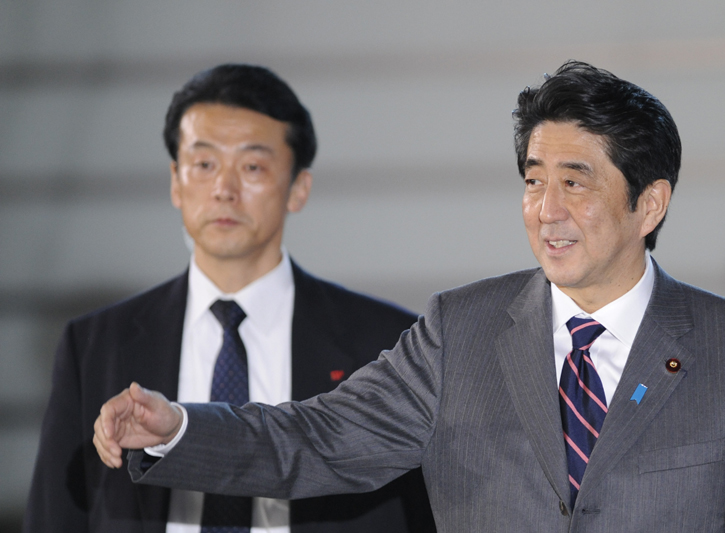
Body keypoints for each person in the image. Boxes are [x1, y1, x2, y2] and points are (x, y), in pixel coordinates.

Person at [93, 60, 725, 532]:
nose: (546, 208)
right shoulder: (459, 332)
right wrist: (177, 426)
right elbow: (312, 440)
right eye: (534, 180)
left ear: (650, 204)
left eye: (576, 181)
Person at [25, 64, 434, 533]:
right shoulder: (94, 345)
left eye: (252, 166)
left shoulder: (387, 343)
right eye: (204, 164)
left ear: (299, 187)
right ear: (176, 181)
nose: (224, 189)